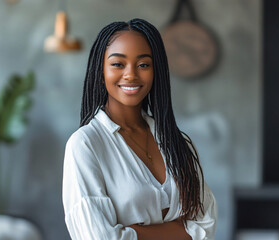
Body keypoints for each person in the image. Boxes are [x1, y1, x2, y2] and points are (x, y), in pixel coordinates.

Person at [62, 18, 217, 240]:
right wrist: (180, 230)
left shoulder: (179, 142)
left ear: (156, 71)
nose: (131, 74)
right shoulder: (85, 145)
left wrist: (131, 232)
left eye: (143, 64)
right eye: (118, 64)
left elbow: (206, 224)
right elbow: (99, 238)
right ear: (100, 70)